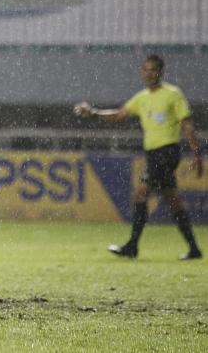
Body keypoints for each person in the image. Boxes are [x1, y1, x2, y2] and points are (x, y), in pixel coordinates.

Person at [74, 54, 203, 260]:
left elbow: (186, 124)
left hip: (167, 152)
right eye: (145, 69)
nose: (148, 73)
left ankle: (132, 246)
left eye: (152, 69)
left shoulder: (173, 94)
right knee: (172, 201)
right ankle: (194, 249)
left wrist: (197, 154)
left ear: (160, 71)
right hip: (153, 155)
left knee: (140, 194)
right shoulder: (142, 98)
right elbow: (118, 115)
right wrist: (94, 113)